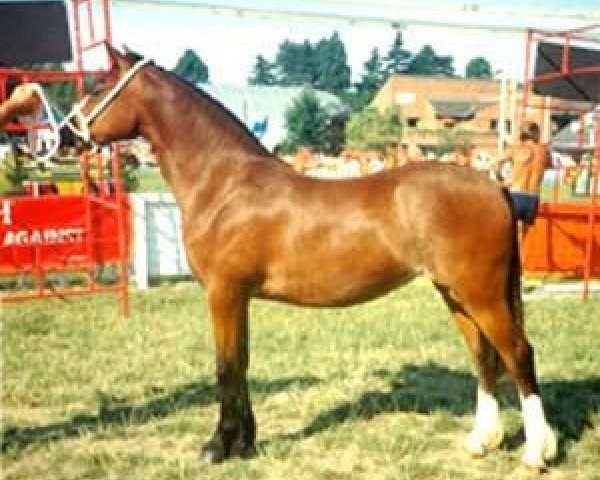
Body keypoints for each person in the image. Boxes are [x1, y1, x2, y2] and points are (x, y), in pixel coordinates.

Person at [492, 122, 551, 244]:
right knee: (523, 239)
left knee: (507, 236)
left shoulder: (516, 149)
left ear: (522, 134)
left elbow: (496, 165)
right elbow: (549, 165)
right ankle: (521, 261)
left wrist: (501, 180)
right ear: (537, 134)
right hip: (533, 197)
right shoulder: (544, 152)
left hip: (516, 194)